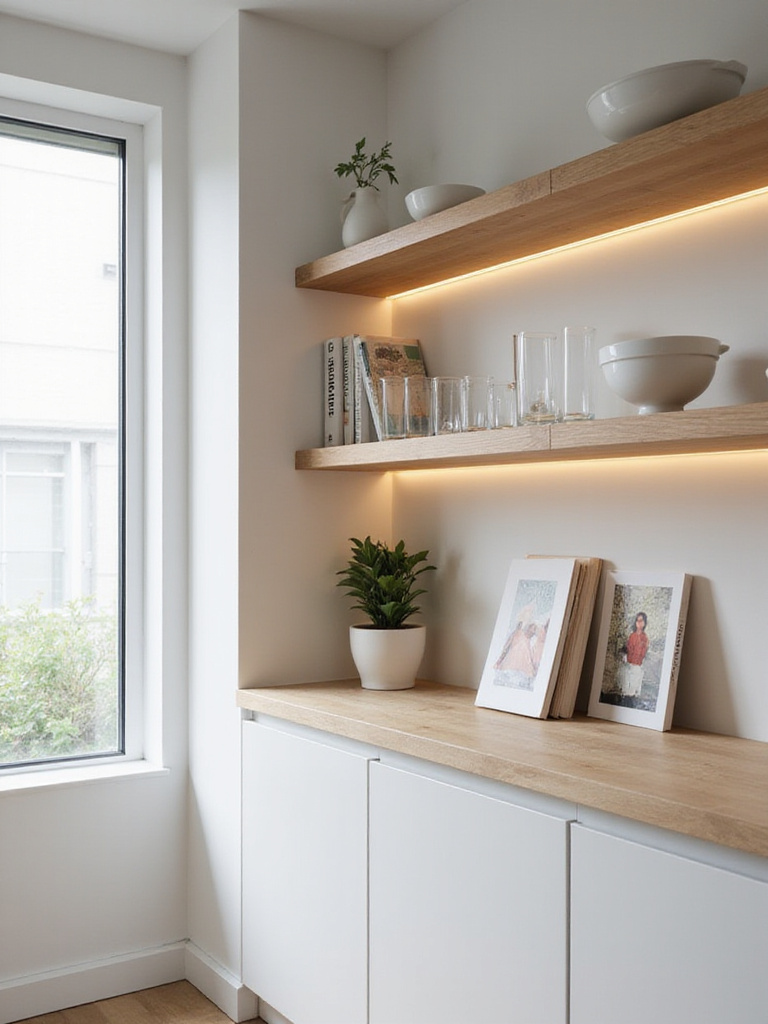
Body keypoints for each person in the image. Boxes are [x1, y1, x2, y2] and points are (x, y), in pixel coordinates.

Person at [617, 611, 649, 697]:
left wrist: (637, 660)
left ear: (644, 623)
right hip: (629, 665)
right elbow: (628, 649)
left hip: (637, 666)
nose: (639, 623)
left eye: (641, 620)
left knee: (634, 689)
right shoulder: (632, 636)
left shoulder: (644, 638)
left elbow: (642, 652)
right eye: (637, 620)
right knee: (627, 688)